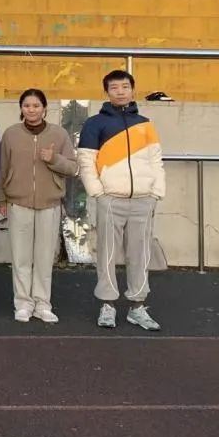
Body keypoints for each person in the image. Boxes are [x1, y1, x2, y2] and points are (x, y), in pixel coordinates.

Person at [78, 70, 166, 332]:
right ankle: (107, 304)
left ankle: (138, 306)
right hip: (110, 199)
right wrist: (98, 192)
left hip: (143, 200)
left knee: (140, 255)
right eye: (114, 87)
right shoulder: (94, 123)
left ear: (132, 89)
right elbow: (86, 161)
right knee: (107, 254)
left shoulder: (145, 124)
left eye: (125, 86)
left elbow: (156, 160)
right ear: (106, 92)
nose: (120, 91)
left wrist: (156, 193)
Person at [0, 88, 77, 324]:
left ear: (44, 108)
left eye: (36, 106)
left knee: (44, 259)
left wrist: (53, 159)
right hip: (18, 202)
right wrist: (1, 197)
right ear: (21, 109)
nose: (31, 110)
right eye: (26, 106)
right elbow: (2, 167)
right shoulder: (11, 134)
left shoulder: (59, 134)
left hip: (49, 203)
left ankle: (42, 304)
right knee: (21, 258)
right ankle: (23, 304)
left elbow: (73, 168)